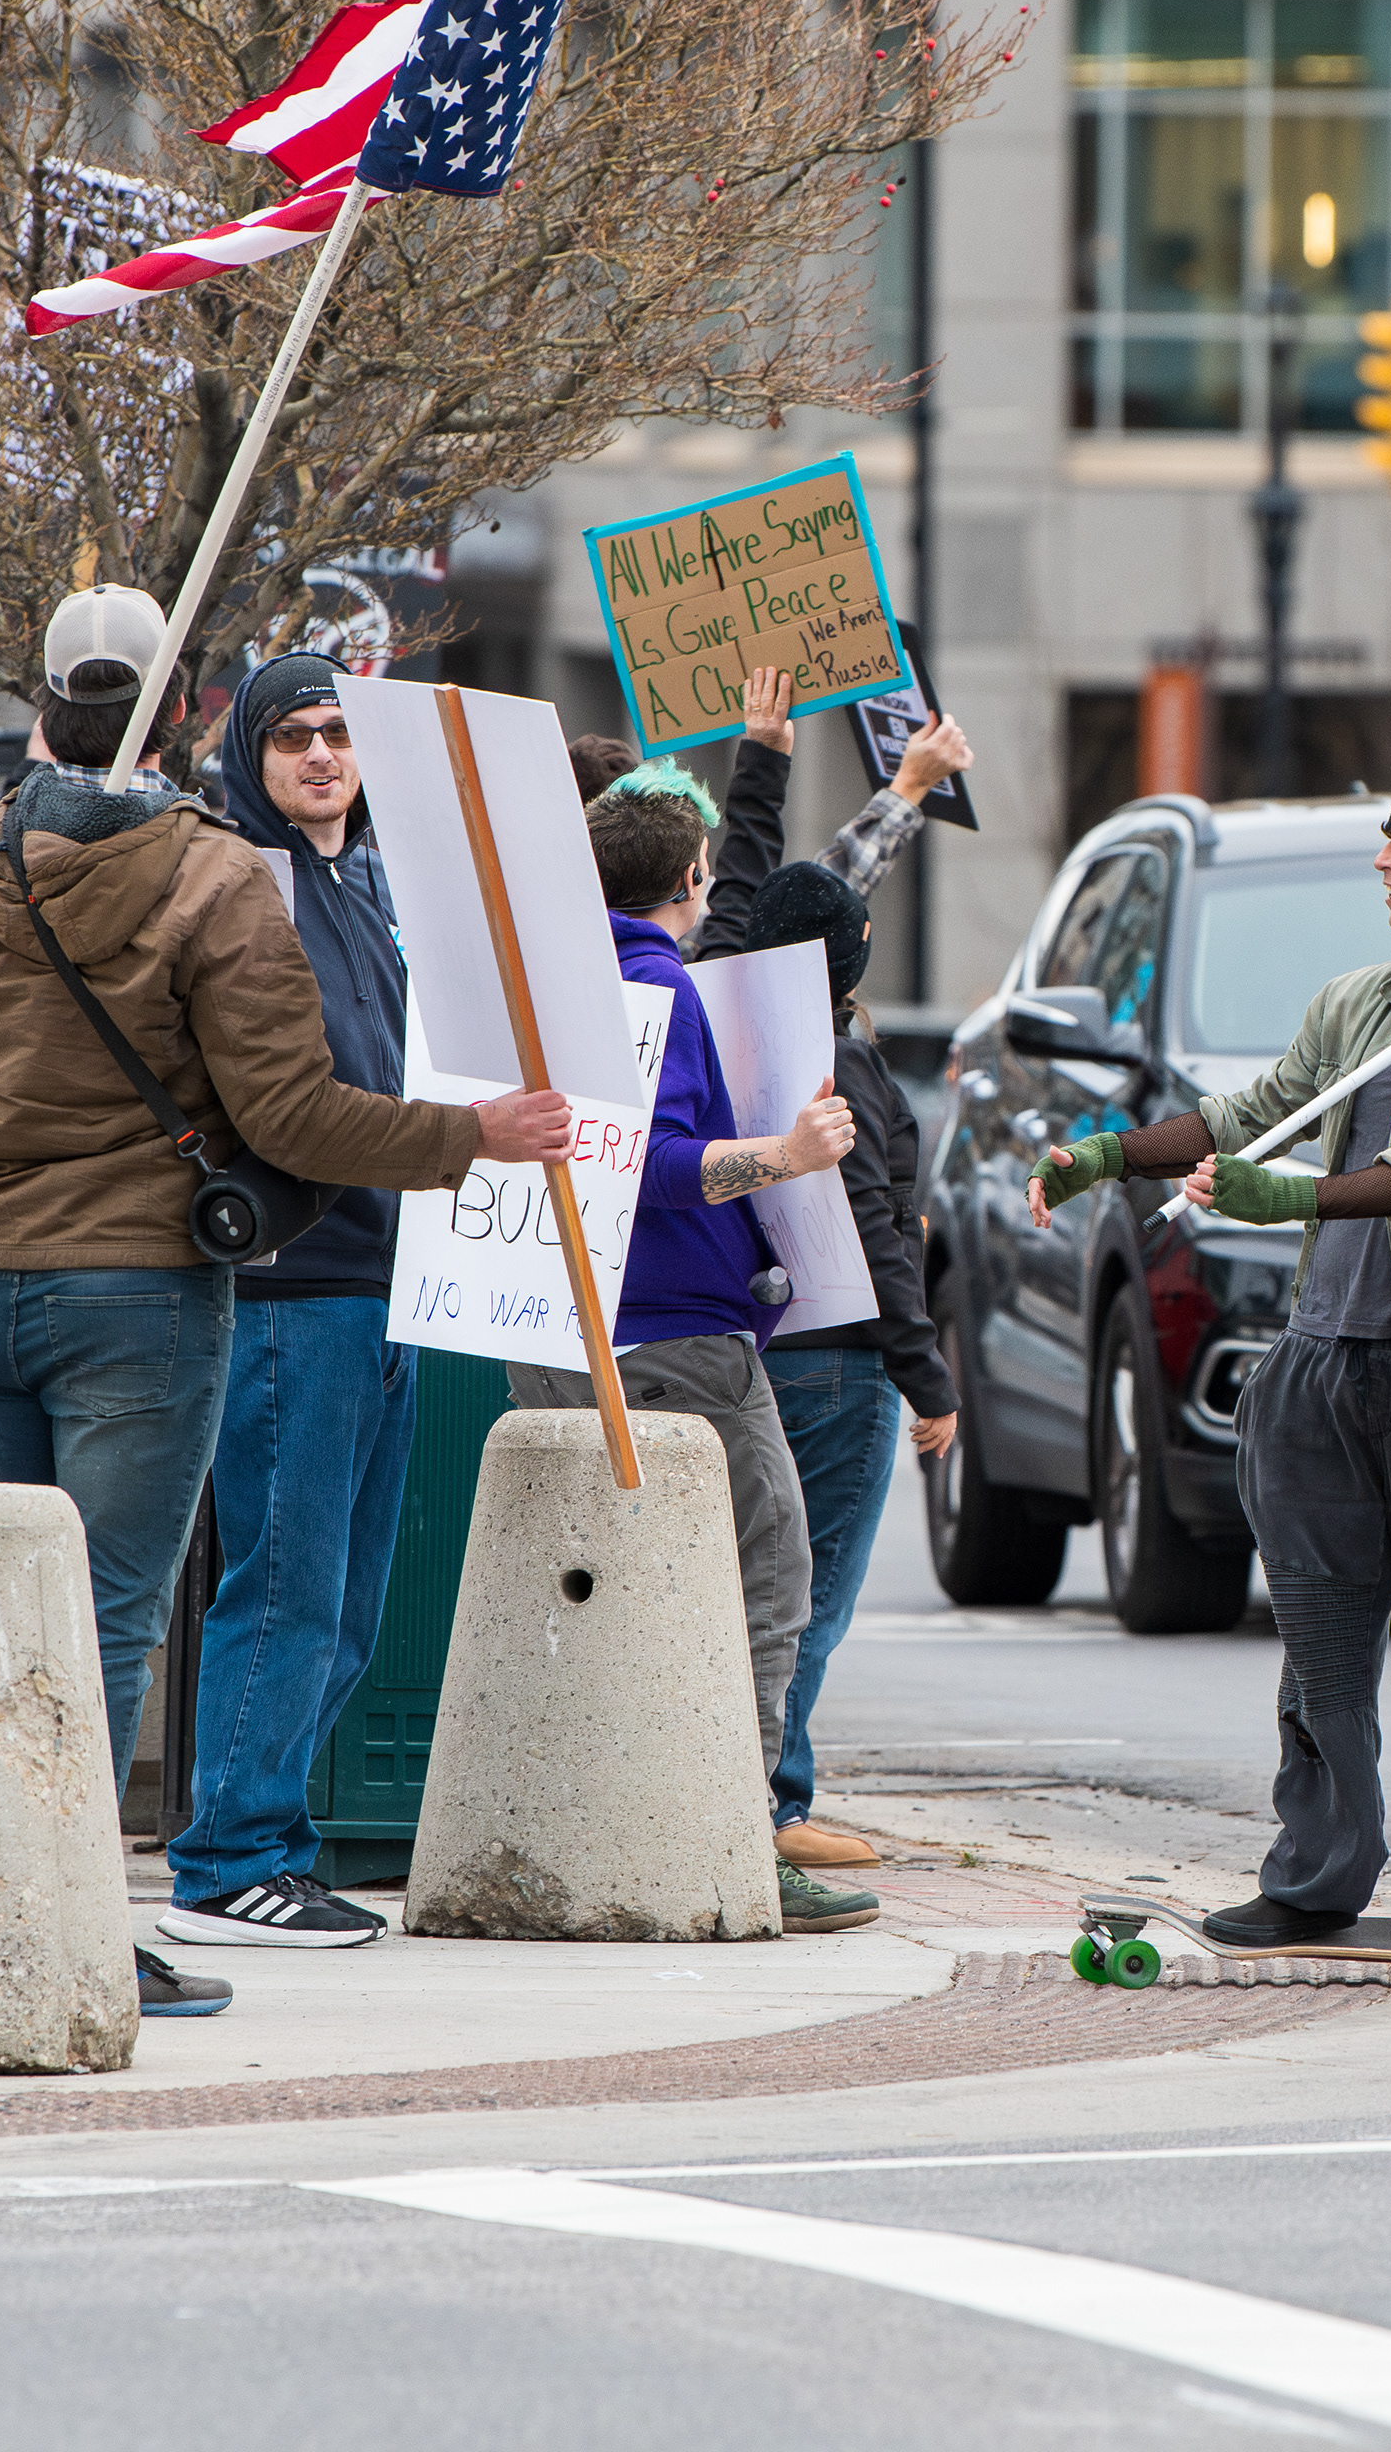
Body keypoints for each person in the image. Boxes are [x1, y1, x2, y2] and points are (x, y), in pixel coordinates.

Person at [0, 584, 576, 2019]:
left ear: (45, 706)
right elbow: (295, 1122)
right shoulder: (217, 877)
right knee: (99, 1619)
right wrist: (476, 1135)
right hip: (138, 1305)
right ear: (180, 721)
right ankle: (71, 1921)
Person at [1027, 762, 1391, 1959]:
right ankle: (1315, 1875)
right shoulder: (1359, 1000)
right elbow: (1256, 1112)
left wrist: (1284, 1194)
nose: (1382, 862)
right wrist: (1110, 1155)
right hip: (1322, 1368)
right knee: (1321, 1646)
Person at [507, 729, 867, 1931]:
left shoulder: (550, 982)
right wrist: (785, 1153)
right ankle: (736, 1838)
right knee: (767, 1574)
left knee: (604, 1589)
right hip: (675, 1338)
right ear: (691, 878)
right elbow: (651, 1164)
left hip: (565, 1325)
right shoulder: (657, 984)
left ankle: (604, 1823)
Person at [158, 654, 423, 1951]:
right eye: (293, 738)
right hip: (290, 1289)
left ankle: (270, 1836)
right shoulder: (242, 884)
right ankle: (228, 1859)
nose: (322, 755)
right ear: (250, 760)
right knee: (282, 1589)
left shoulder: (356, 886)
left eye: (338, 733)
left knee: (351, 1603)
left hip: (384, 1280)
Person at [698, 674, 966, 1870]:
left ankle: (743, 1788)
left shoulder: (720, 1004)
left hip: (751, 1340)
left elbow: (757, 892)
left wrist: (760, 760)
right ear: (854, 963)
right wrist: (928, 1375)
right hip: (841, 1356)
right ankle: (771, 1803)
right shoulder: (837, 1062)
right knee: (803, 1596)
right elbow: (873, 1222)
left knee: (749, 1582)